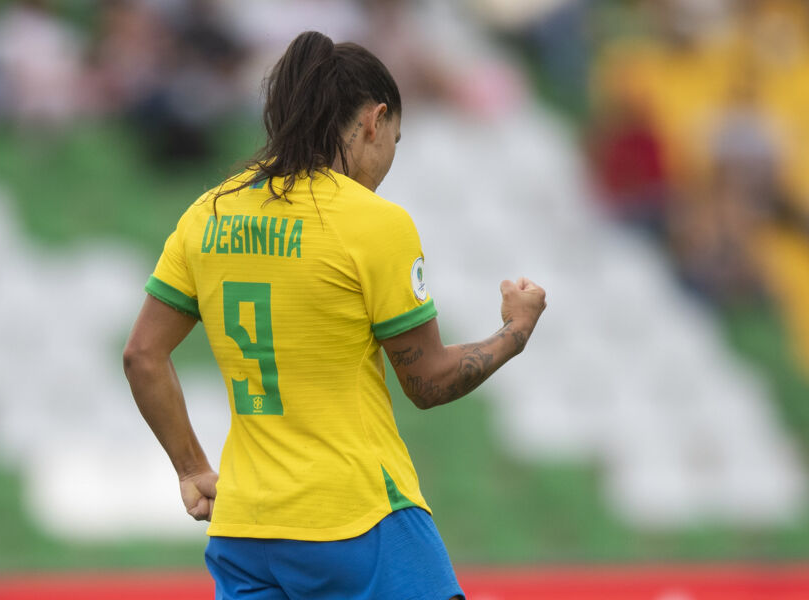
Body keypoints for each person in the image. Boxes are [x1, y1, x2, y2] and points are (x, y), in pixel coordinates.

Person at [122, 31, 546, 600]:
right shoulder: (373, 222)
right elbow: (428, 382)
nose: (390, 158)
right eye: (396, 138)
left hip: (244, 529)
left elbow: (143, 355)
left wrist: (192, 469)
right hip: (357, 518)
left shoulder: (208, 214)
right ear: (375, 120)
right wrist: (515, 331)